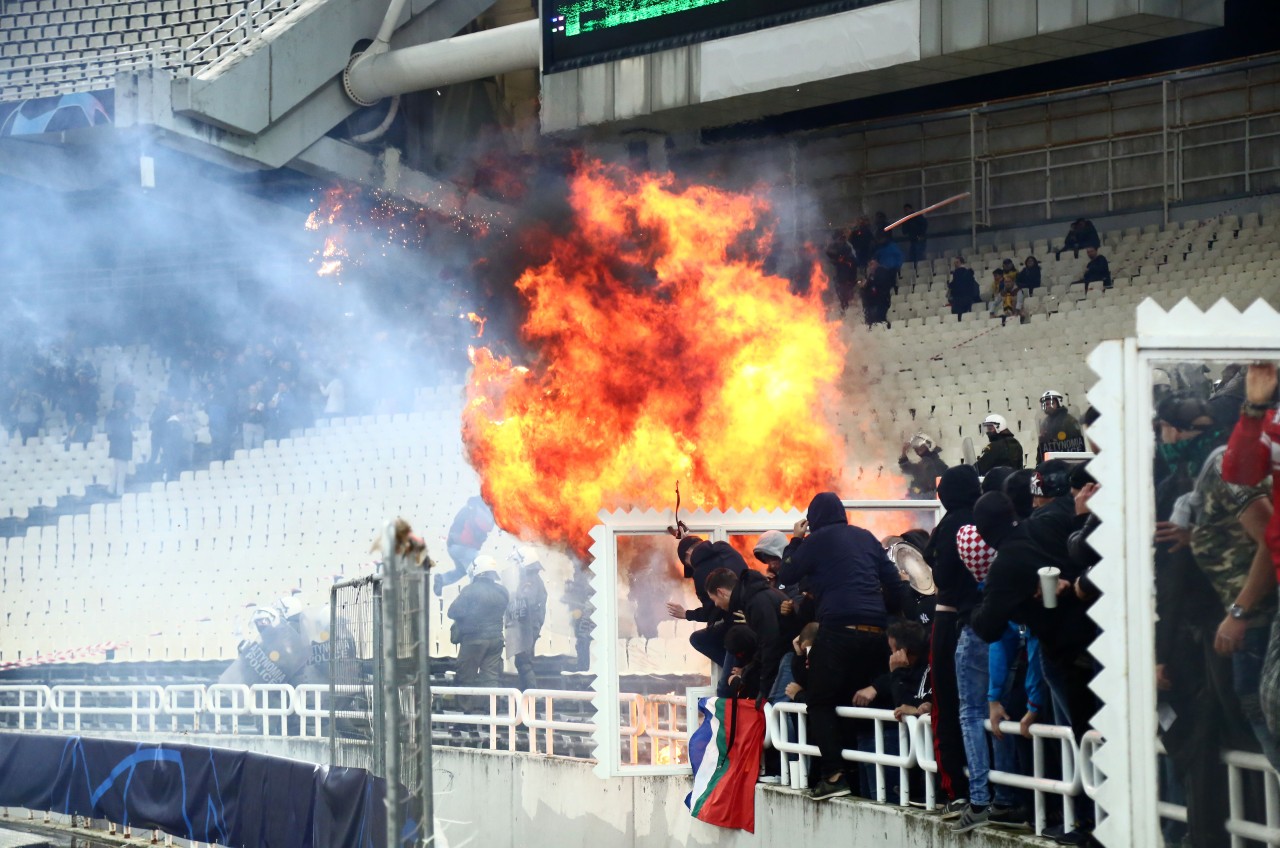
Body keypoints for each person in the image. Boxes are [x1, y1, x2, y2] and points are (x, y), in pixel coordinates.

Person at [776, 492, 907, 801]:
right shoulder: (866, 537)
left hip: (837, 630)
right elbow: (894, 582)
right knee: (855, 697)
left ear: (813, 520)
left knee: (821, 701)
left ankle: (834, 775)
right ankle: (867, 783)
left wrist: (796, 541)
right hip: (877, 630)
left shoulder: (815, 541)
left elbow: (787, 575)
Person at [667, 535, 749, 691]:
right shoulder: (726, 549)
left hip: (736, 627)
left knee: (724, 687)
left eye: (687, 564)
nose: (691, 567)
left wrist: (687, 614)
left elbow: (712, 611)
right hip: (750, 616)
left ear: (688, 555)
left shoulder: (701, 572)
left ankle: (737, 672)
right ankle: (740, 669)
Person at [447, 557, 510, 696]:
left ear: (478, 571)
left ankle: (466, 712)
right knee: (491, 677)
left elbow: (452, 612)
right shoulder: (502, 591)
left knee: (466, 675)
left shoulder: (470, 590)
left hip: (474, 640)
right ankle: (491, 711)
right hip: (496, 640)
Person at [505, 547, 548, 691]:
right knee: (522, 660)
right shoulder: (531, 579)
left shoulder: (530, 581)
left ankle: (530, 695)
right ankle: (526, 694)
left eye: (518, 562)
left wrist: (512, 598)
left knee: (524, 661)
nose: (516, 565)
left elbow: (526, 602)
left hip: (528, 626)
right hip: (528, 625)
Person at [435, 495, 496, 597]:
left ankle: (442, 579)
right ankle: (476, 597)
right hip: (464, 547)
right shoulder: (480, 511)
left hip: (452, 546)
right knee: (478, 571)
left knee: (461, 570)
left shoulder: (468, 509)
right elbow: (486, 527)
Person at [1037, 390, 1087, 463]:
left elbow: (1077, 443)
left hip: (1068, 461)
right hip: (1051, 463)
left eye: (1051, 403)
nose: (1047, 406)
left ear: (1058, 402)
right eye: (1045, 404)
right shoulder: (1045, 423)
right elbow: (1041, 448)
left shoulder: (1069, 420)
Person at [899, 432, 947, 499]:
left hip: (930, 505)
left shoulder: (938, 465)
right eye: (916, 449)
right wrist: (904, 452)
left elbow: (936, 492)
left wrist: (916, 499)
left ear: (928, 446)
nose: (918, 452)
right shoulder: (924, 463)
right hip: (922, 504)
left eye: (920, 448)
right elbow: (907, 468)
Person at [825, 228, 858, 315]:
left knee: (845, 292)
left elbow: (850, 260)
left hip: (847, 276)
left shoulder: (847, 247)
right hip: (840, 276)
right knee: (840, 291)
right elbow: (830, 255)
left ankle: (847, 306)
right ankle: (844, 306)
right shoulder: (836, 247)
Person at [104, 399, 133, 497]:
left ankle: (111, 489)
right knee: (121, 471)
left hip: (117, 450)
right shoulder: (122, 425)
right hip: (122, 451)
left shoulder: (115, 423)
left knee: (117, 471)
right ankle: (119, 491)